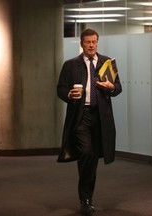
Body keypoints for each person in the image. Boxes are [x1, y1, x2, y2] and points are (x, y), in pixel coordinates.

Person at [57, 28, 122, 215]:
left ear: (97, 42)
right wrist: (69, 94)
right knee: (86, 152)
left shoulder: (107, 63)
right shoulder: (71, 65)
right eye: (88, 42)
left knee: (92, 158)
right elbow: (60, 88)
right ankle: (84, 198)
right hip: (81, 115)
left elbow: (118, 87)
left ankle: (87, 199)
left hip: (100, 116)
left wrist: (111, 87)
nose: (91, 45)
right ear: (82, 44)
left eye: (94, 42)